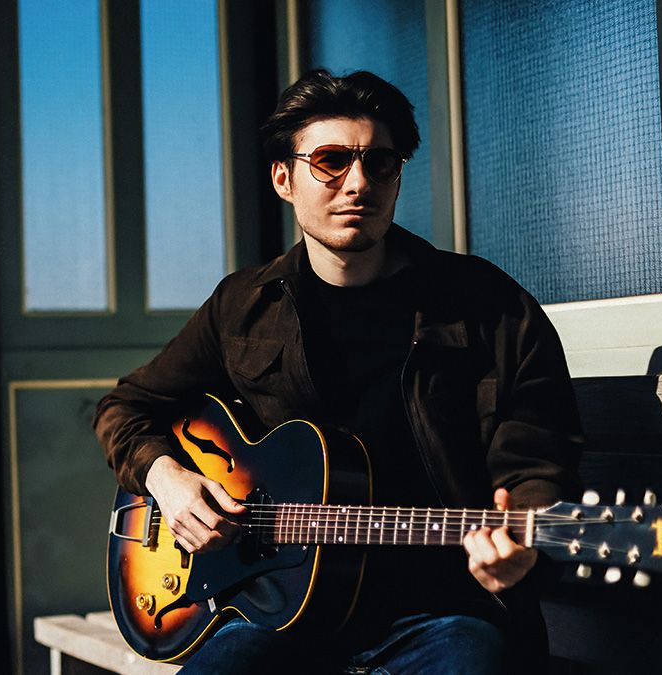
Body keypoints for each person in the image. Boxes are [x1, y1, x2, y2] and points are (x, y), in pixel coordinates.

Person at [93, 69, 583, 674]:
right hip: (274, 613)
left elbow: (537, 459)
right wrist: (166, 477)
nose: (358, 183)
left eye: (381, 163)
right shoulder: (243, 304)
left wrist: (519, 546)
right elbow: (125, 408)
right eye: (330, 160)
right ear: (284, 178)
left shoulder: (490, 307)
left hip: (444, 615)